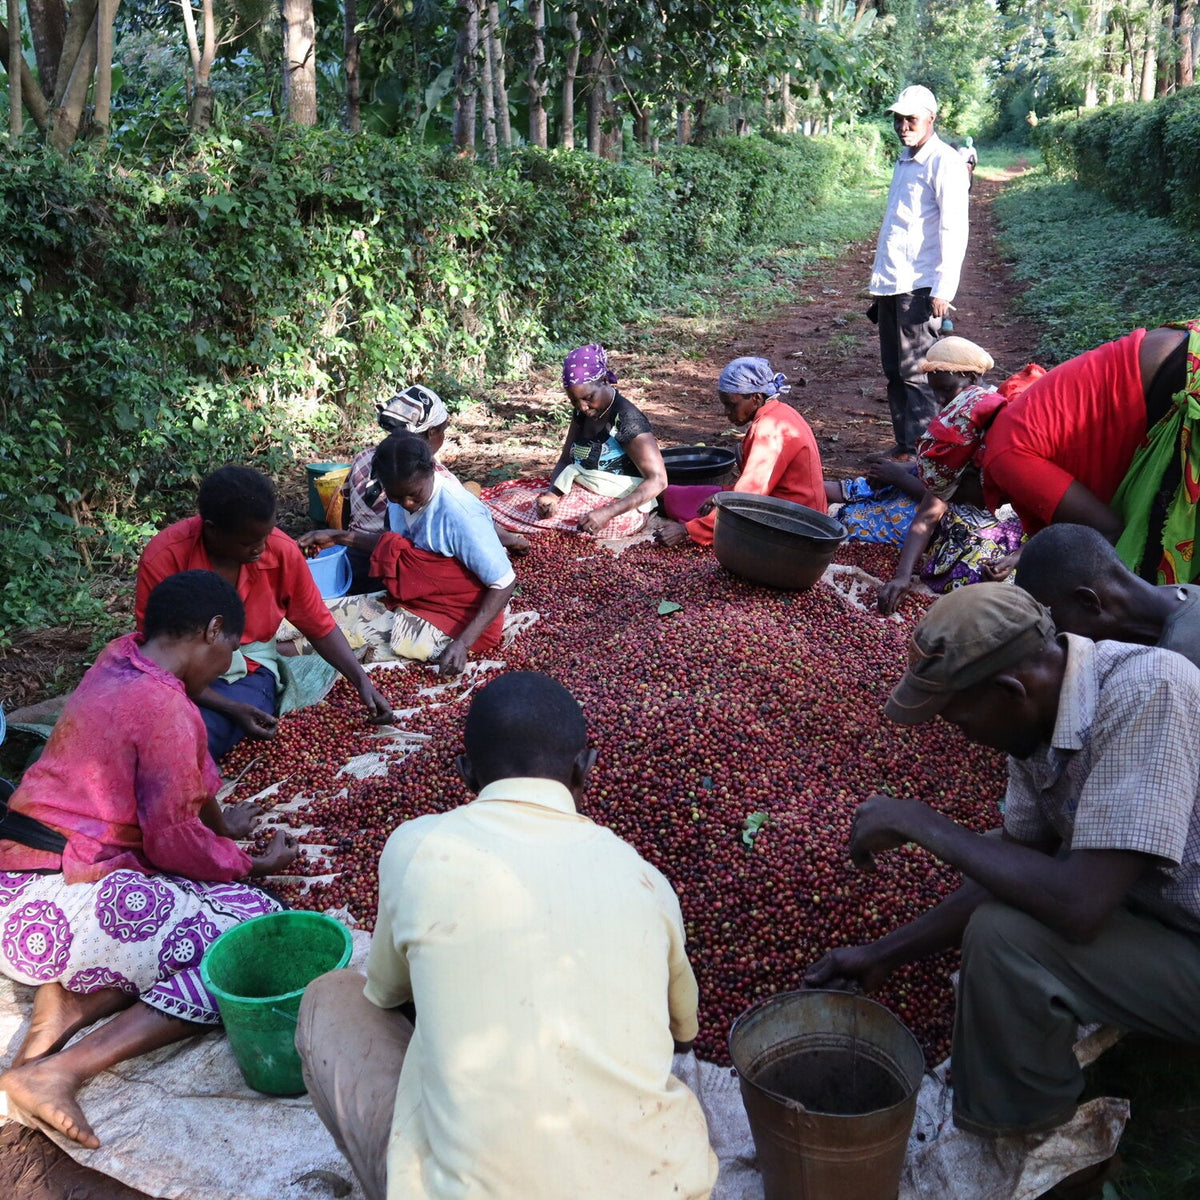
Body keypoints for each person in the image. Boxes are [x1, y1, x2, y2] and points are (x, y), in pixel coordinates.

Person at [295, 671, 717, 1200]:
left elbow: (384, 994)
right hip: (669, 1188)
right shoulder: (647, 881)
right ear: (586, 768)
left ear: (465, 773)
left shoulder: (417, 847)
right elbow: (684, 1031)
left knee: (330, 997)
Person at [805, 584, 1200, 1143]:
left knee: (1005, 940)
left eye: (959, 719)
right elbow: (1015, 861)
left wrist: (926, 824)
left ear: (1012, 689)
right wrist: (882, 953)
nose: (959, 735)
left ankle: (1031, 1146)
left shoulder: (1149, 690)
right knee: (1005, 895)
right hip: (1157, 909)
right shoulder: (1039, 720)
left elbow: (1079, 906)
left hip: (1187, 931)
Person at [0, 571, 298, 1149]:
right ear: (213, 629)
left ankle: (70, 1000)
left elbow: (185, 779)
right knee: (245, 955)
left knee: (243, 905)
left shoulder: (125, 658)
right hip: (40, 902)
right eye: (230, 650)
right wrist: (249, 862)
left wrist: (224, 831)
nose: (226, 669)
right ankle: (60, 1071)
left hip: (33, 876)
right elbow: (172, 846)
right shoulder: (162, 704)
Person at [135, 466, 393, 759]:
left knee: (194, 739)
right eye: (248, 542)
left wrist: (361, 680)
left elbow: (318, 625)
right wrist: (228, 706)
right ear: (212, 529)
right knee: (146, 729)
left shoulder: (280, 551)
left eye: (266, 535)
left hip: (248, 669)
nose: (260, 548)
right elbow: (154, 658)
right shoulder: (165, 556)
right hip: (176, 672)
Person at [302, 432, 516, 677]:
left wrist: (463, 643)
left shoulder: (459, 514)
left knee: (345, 642)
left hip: (459, 618)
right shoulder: (398, 495)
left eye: (414, 495)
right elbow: (397, 548)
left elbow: (504, 582)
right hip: (417, 597)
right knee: (316, 615)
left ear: (432, 470)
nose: (407, 504)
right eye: (396, 497)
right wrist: (338, 537)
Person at [862, 336, 1023, 613]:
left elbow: (1053, 521)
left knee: (978, 585)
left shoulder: (1000, 425)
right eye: (935, 391)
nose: (939, 399)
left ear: (971, 377)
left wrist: (1017, 558)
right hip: (965, 520)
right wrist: (902, 576)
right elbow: (930, 509)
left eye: (947, 390)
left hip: (1009, 528)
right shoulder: (958, 423)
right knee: (940, 568)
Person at [340, 385, 528, 592]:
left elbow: (346, 511)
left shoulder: (364, 458)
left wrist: (341, 539)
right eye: (443, 430)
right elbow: (477, 526)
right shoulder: (434, 479)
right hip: (390, 569)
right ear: (432, 432)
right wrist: (514, 540)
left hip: (350, 560)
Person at [868, 85, 970, 460]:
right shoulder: (906, 160)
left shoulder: (944, 162)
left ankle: (923, 454)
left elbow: (954, 229)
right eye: (899, 119)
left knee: (917, 373)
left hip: (920, 284)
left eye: (911, 119)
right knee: (894, 370)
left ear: (931, 119)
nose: (903, 126)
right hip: (893, 281)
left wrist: (944, 289)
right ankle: (905, 445)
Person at [486, 344, 668, 540]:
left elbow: (658, 481)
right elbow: (566, 460)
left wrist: (606, 513)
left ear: (605, 381)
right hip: (581, 489)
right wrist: (552, 494)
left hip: (619, 509)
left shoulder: (627, 420)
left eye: (589, 398)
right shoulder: (582, 413)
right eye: (575, 401)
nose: (583, 407)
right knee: (511, 495)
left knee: (508, 510)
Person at [656, 357, 826, 548]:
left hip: (795, 522)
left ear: (755, 398)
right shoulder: (780, 412)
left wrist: (687, 530)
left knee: (711, 517)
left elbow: (748, 498)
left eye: (731, 405)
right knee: (685, 497)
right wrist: (721, 498)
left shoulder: (770, 430)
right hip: (786, 505)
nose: (726, 412)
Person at [1015, 523, 1200, 668]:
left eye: (1059, 626)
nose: (1063, 642)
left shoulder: (1178, 662)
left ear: (1088, 601)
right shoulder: (1185, 594)